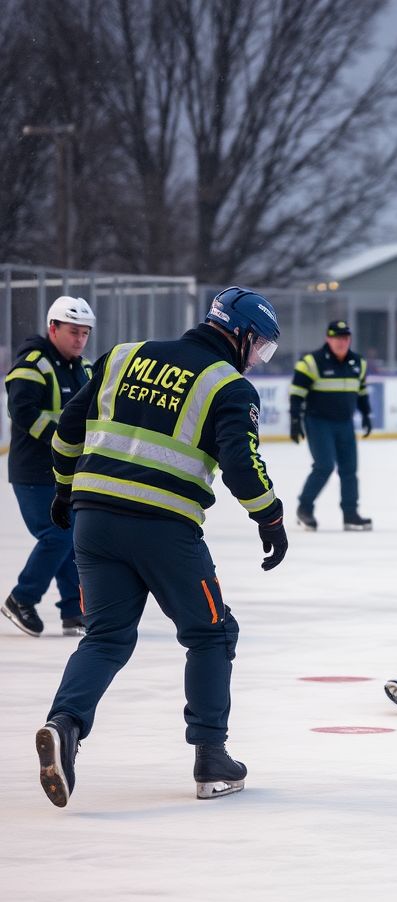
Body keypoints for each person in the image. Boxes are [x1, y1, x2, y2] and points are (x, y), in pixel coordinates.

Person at [35, 287, 288, 808]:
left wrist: (65, 489)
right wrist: (271, 515)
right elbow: (241, 463)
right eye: (259, 346)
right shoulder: (228, 386)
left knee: (105, 637)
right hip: (163, 529)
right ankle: (211, 759)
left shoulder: (124, 354)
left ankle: (65, 724)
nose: (257, 359)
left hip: (94, 522)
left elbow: (67, 430)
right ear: (237, 335)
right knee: (212, 634)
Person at [3, 297, 94, 637]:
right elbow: (22, 411)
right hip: (33, 473)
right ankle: (21, 599)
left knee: (69, 538)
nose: (80, 340)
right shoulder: (32, 364)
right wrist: (62, 440)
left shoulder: (82, 369)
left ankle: (73, 609)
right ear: (52, 328)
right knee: (58, 535)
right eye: (73, 332)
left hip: (65, 473)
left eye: (85, 333)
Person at [290, 319, 373, 531]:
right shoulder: (311, 362)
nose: (341, 342)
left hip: (345, 423)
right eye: (337, 338)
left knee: (349, 469)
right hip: (318, 422)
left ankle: (350, 514)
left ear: (349, 339)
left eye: (345, 338)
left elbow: (361, 391)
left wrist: (366, 415)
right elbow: (297, 394)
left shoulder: (358, 363)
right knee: (324, 466)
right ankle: (304, 508)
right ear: (328, 338)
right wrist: (295, 419)